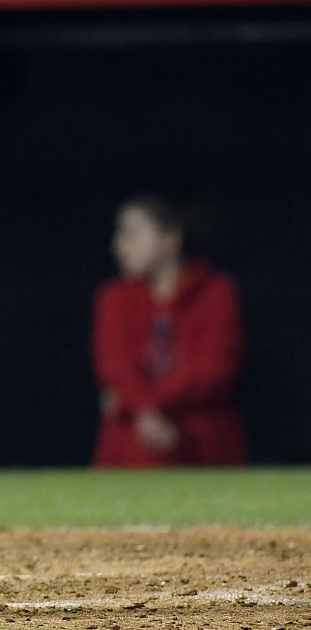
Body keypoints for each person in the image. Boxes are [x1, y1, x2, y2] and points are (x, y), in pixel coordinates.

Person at [93, 196, 246, 467]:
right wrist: (144, 410)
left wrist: (146, 406)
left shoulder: (215, 292)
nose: (119, 246)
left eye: (132, 234)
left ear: (170, 240)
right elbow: (115, 366)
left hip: (199, 445)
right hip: (130, 448)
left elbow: (212, 367)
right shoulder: (114, 297)